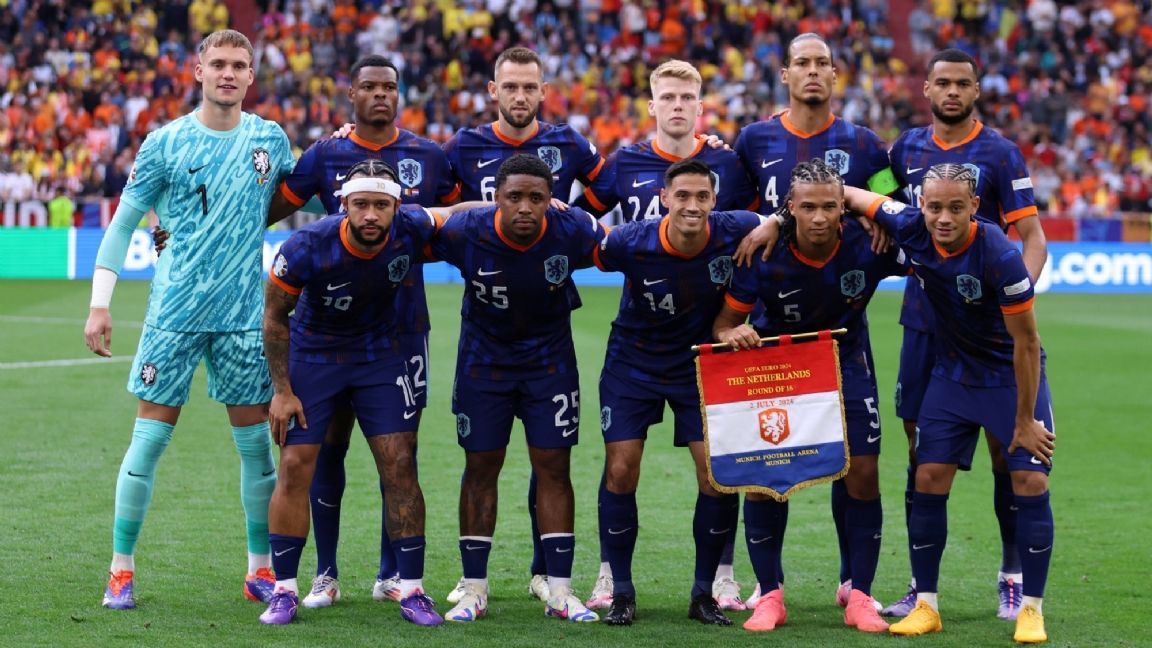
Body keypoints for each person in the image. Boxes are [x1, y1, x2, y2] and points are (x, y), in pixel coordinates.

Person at [83, 29, 294, 610]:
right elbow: (123, 224)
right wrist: (100, 303)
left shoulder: (270, 140)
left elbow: (309, 197)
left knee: (256, 450)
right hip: (173, 314)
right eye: (218, 63)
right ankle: (120, 569)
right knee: (148, 441)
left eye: (239, 65)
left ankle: (259, 567)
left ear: (251, 76)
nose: (228, 73)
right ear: (198, 71)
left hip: (244, 316)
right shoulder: (165, 143)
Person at [272, 54, 460, 610]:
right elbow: (269, 208)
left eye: (390, 87)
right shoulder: (325, 154)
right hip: (325, 336)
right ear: (351, 93)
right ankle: (323, 573)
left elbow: (459, 223)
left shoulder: (430, 156)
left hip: (401, 331)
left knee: (397, 453)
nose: (381, 95)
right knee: (324, 449)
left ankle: (393, 574)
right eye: (370, 87)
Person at [572, 58, 758, 613]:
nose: (677, 105)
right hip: (636, 347)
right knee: (621, 466)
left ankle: (719, 579)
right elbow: (582, 224)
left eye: (687, 98)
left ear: (700, 106)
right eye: (668, 97)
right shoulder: (625, 164)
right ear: (652, 105)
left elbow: (764, 228)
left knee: (718, 473)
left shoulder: (729, 162)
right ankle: (612, 577)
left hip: (706, 351)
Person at [843, 165, 1055, 644]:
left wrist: (1024, 420)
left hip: (1008, 376)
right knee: (928, 475)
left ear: (974, 207)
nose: (943, 217)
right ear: (921, 204)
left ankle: (1031, 609)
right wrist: (775, 221)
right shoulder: (910, 224)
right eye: (934, 206)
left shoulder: (1000, 254)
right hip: (952, 373)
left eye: (955, 207)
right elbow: (854, 194)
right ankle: (927, 606)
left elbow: (1026, 343)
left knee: (1029, 477)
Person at [732, 31, 897, 609]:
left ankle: (854, 582)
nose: (811, 71)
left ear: (833, 74)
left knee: (854, 461)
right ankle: (767, 584)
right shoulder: (753, 140)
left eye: (821, 63)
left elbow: (890, 200)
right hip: (771, 327)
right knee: (770, 462)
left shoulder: (866, 144)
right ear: (785, 74)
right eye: (801, 62)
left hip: (841, 325)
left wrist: (872, 211)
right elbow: (736, 214)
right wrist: (775, 222)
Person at [883, 48, 1049, 621]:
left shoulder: (1000, 153)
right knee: (920, 445)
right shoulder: (903, 150)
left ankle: (1012, 574)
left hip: (983, 328)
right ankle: (919, 585)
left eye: (963, 83)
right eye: (943, 83)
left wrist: (1009, 299)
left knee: (1009, 450)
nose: (952, 91)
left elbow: (1032, 237)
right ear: (926, 89)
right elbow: (877, 199)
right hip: (923, 320)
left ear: (976, 91)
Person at [440, 46, 606, 605]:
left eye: (529, 86)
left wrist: (576, 215)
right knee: (480, 465)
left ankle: (556, 585)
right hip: (483, 354)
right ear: (493, 89)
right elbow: (416, 217)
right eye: (509, 86)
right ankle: (474, 585)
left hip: (548, 356)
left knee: (553, 464)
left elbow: (617, 216)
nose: (519, 95)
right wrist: (469, 211)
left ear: (542, 91)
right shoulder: (462, 163)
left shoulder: (570, 199)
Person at [712, 159, 905, 633]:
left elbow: (926, 241)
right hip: (780, 371)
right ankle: (770, 595)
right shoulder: (763, 252)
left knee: (863, 472)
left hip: (845, 364)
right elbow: (724, 324)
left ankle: (859, 595)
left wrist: (876, 216)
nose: (819, 218)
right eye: (808, 208)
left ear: (843, 208)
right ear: (790, 209)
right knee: (766, 478)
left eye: (829, 207)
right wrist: (733, 333)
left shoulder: (869, 243)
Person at [590, 158, 772, 626]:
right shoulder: (629, 241)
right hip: (633, 365)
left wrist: (775, 222)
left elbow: (782, 217)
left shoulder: (737, 228)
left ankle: (703, 594)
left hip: (699, 364)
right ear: (664, 198)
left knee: (714, 476)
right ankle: (621, 591)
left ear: (714, 200)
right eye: (683, 196)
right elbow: (583, 247)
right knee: (621, 469)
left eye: (702, 196)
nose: (693, 205)